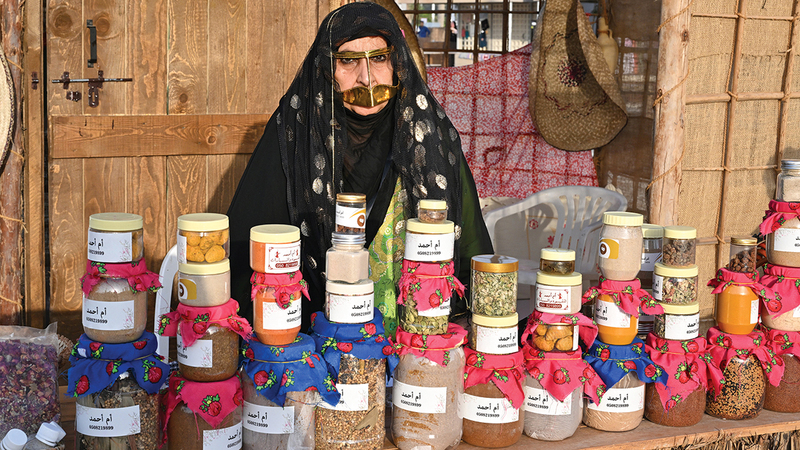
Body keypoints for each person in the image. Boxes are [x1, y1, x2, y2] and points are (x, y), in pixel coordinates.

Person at [226, 3, 493, 334]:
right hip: (312, 341)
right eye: (348, 61)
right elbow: (248, 262)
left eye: (379, 58)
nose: (367, 78)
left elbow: (469, 252)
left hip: (417, 343)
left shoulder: (430, 140)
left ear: (397, 65)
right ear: (326, 68)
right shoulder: (295, 136)